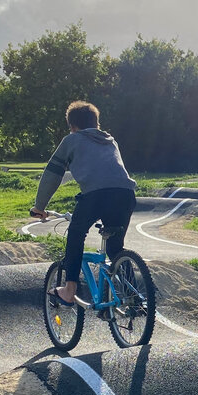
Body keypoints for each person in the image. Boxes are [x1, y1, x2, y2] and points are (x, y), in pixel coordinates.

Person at [31, 101, 137, 306]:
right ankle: (133, 297)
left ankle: (69, 290)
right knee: (116, 249)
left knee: (76, 233)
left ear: (72, 126)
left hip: (96, 195)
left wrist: (40, 207)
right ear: (97, 123)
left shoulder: (71, 140)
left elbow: (53, 174)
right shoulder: (110, 141)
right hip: (126, 194)